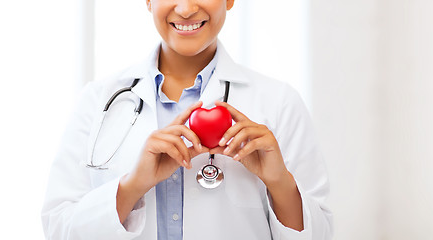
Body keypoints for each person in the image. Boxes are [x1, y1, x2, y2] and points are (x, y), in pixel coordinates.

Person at [41, 0, 333, 239]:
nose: (185, 9)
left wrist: (278, 181)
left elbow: (320, 235)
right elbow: (59, 229)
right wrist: (132, 186)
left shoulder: (279, 102)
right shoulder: (98, 101)